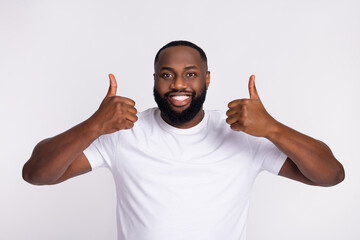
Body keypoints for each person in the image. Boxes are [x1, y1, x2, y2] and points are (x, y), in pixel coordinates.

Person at [23, 40, 345, 240]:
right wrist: (94, 125)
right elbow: (37, 174)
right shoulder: (123, 132)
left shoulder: (242, 133)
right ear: (155, 80)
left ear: (206, 79)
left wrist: (273, 128)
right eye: (167, 74)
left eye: (190, 74)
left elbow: (330, 175)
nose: (178, 84)